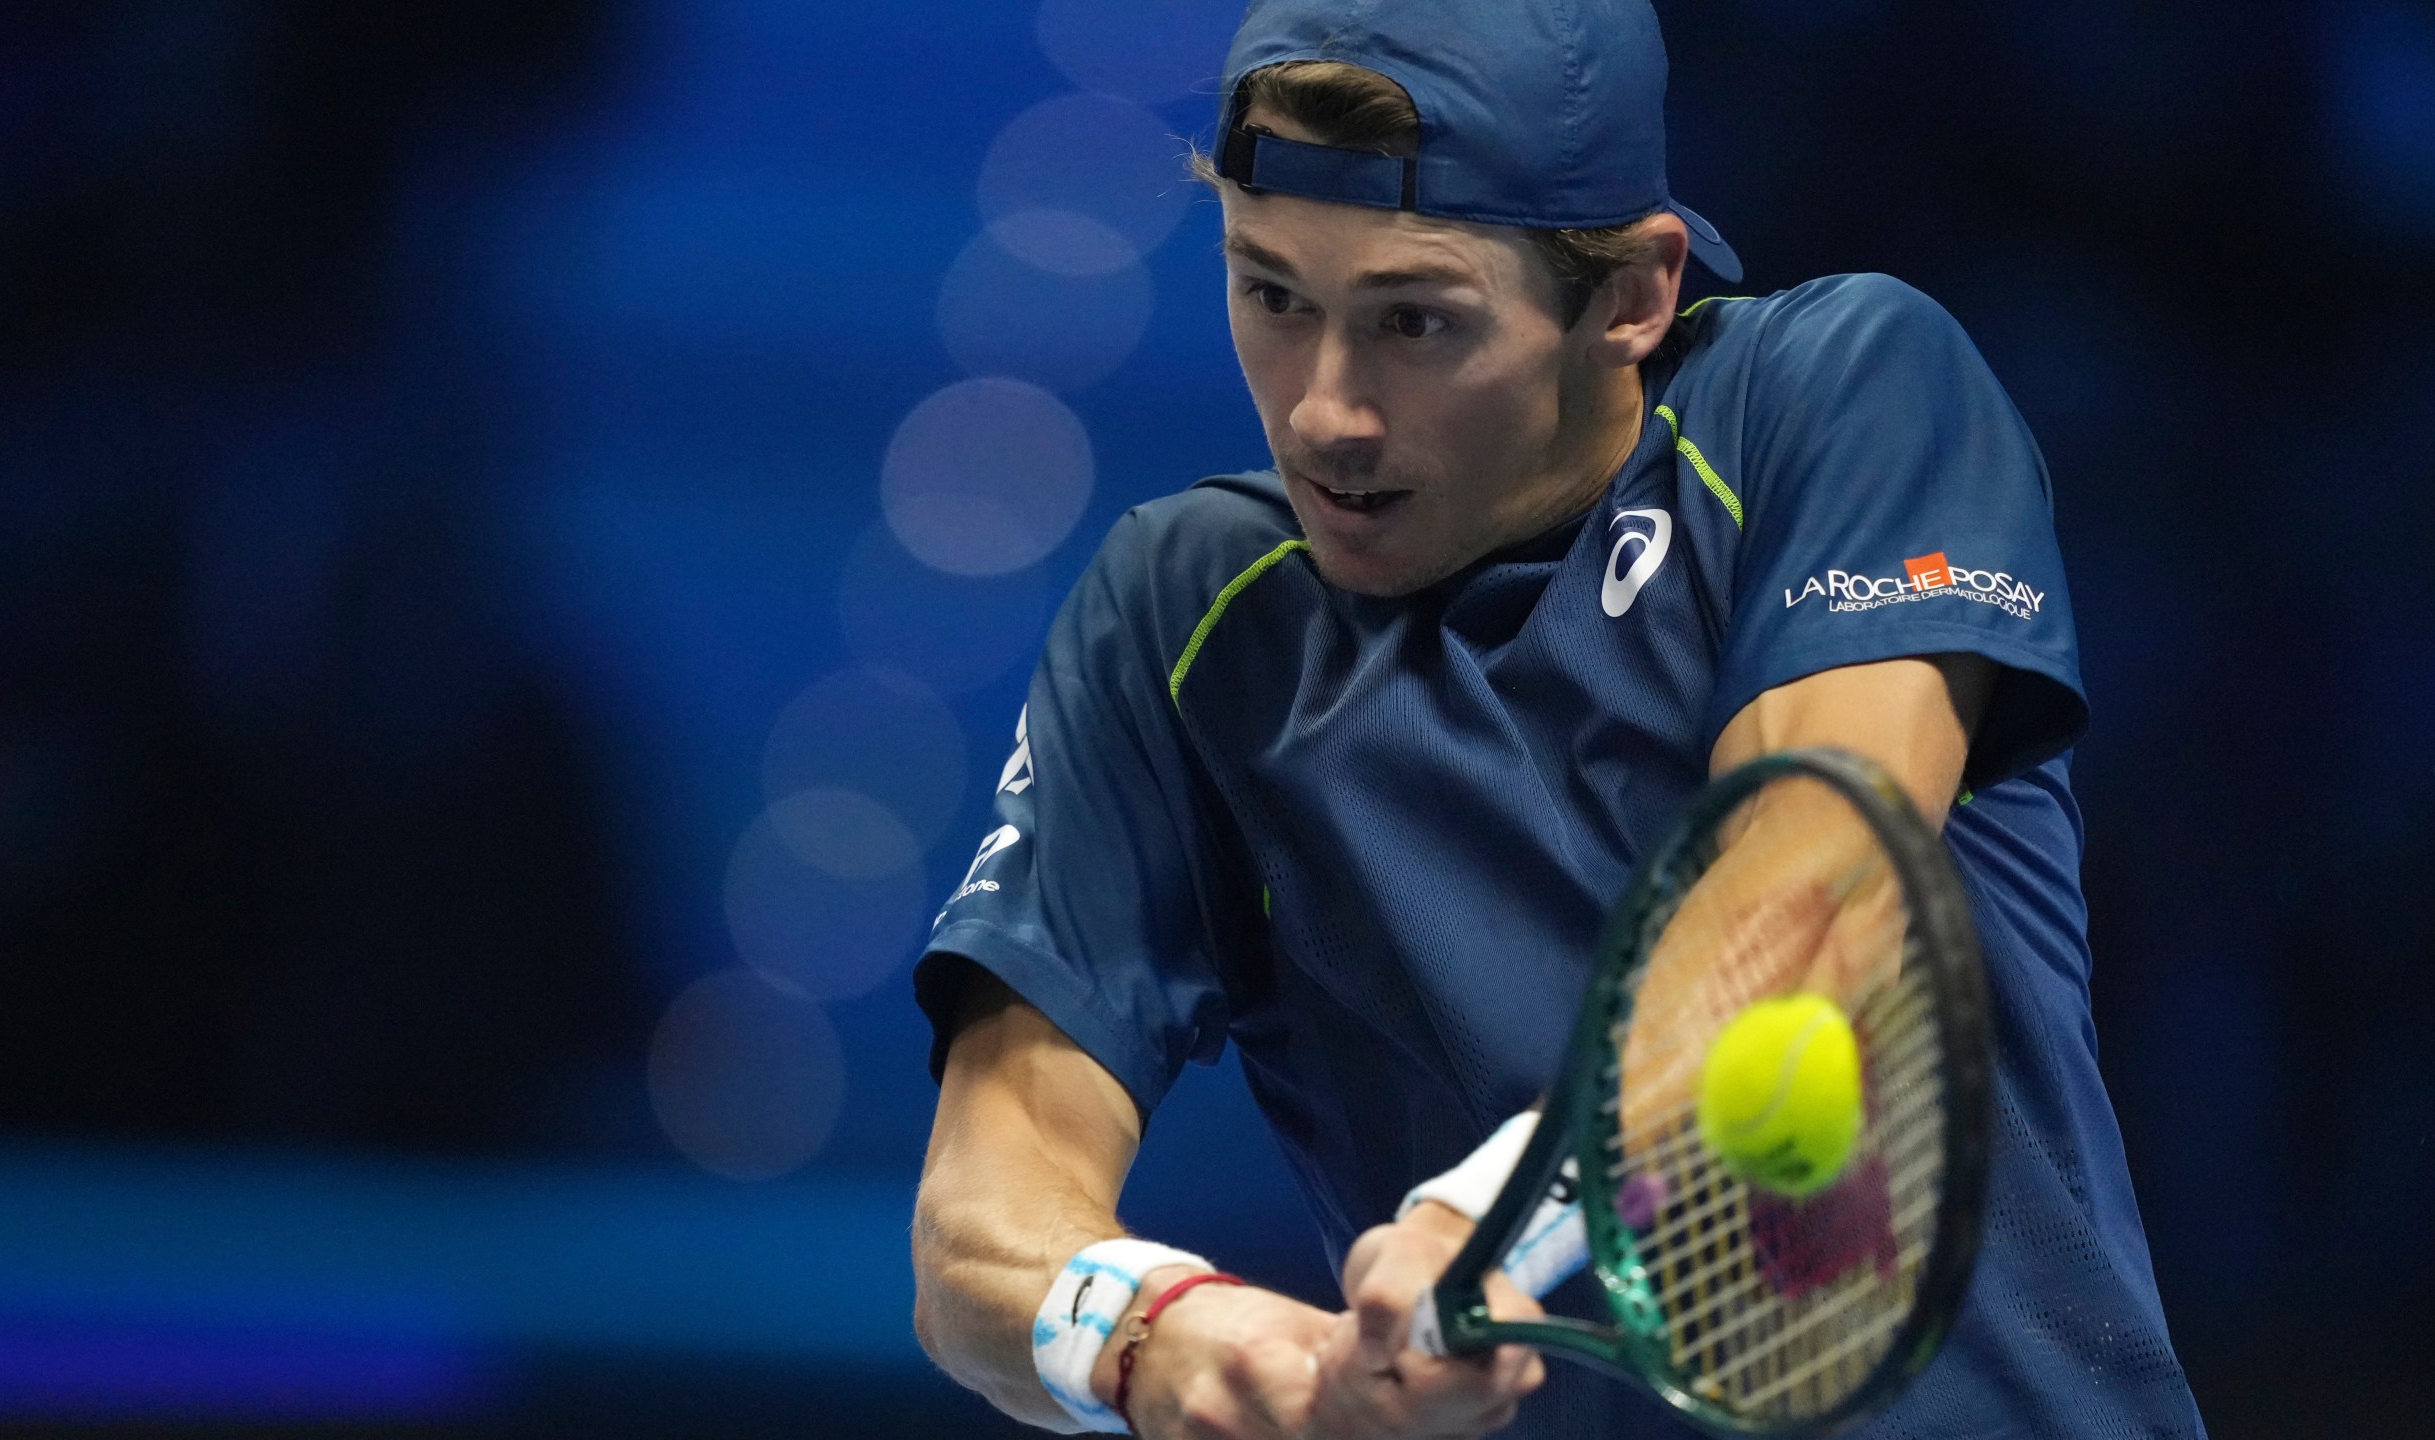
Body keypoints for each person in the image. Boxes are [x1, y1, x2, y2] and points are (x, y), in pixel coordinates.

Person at [909, 1, 2208, 1436]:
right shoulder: (1184, 618)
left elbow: (1815, 905)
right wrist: (1166, 1334)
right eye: (1272, 295)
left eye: (1416, 320)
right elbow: (982, 1209)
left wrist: (1500, 1211)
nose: (1326, 411)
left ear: (1635, 295)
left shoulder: (1838, 391)